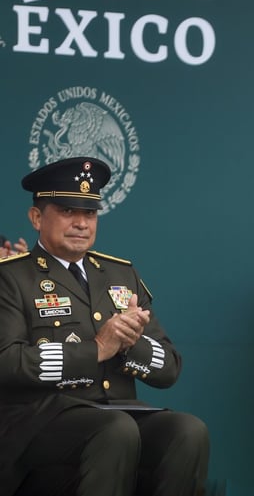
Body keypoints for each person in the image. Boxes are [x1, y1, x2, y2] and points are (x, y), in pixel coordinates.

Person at [0, 157, 209, 496]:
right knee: (115, 430)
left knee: (188, 430)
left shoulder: (120, 274)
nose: (81, 223)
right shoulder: (10, 277)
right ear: (37, 217)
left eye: (90, 213)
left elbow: (169, 368)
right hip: (38, 420)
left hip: (117, 411)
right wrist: (97, 348)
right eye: (68, 212)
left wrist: (129, 343)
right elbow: (7, 361)